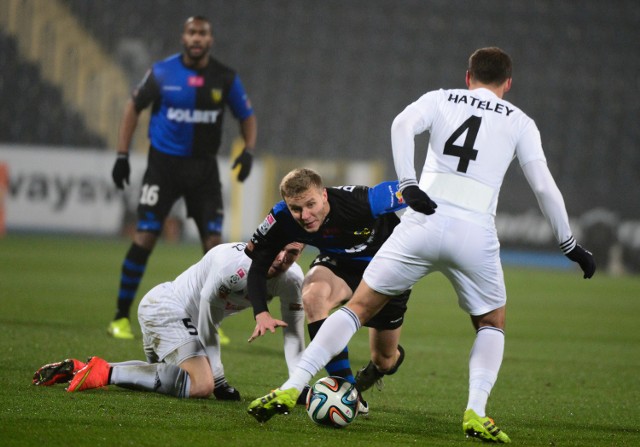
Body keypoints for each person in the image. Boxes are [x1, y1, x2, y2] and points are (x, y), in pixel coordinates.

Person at [246, 47, 596, 443]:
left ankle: (295, 383)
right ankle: (476, 412)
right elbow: (543, 186)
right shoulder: (521, 122)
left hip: (423, 220)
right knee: (491, 323)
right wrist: (569, 244)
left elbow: (401, 124)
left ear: (468, 77)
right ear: (508, 85)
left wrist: (410, 182)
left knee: (357, 308)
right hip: (474, 233)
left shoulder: (440, 98)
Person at [107, 15, 257, 339]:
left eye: (202, 33)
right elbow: (133, 107)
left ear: (210, 39)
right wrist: (122, 155)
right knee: (145, 237)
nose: (197, 38)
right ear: (183, 37)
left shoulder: (225, 78)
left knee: (214, 248)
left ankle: (210, 322)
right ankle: (120, 317)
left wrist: (248, 150)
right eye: (192, 32)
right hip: (164, 167)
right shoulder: (162, 72)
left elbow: (247, 115)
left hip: (203, 170)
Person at [33, 242, 304, 400]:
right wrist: (219, 381)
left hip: (184, 322)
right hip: (167, 309)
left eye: (292, 253)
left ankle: (83, 368)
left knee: (167, 378)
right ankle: (105, 373)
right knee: (202, 384)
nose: (282, 259)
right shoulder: (232, 268)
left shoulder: (292, 280)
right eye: (278, 248)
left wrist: (298, 383)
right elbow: (208, 322)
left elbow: (294, 334)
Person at [244, 167, 410, 415]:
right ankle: (348, 391)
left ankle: (375, 371)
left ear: (324, 195)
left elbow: (412, 188)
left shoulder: (362, 201)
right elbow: (257, 264)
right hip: (338, 266)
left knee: (385, 359)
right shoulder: (281, 218)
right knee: (313, 295)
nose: (305, 215)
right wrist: (261, 312)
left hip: (386, 270)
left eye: (311, 204)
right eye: (296, 208)